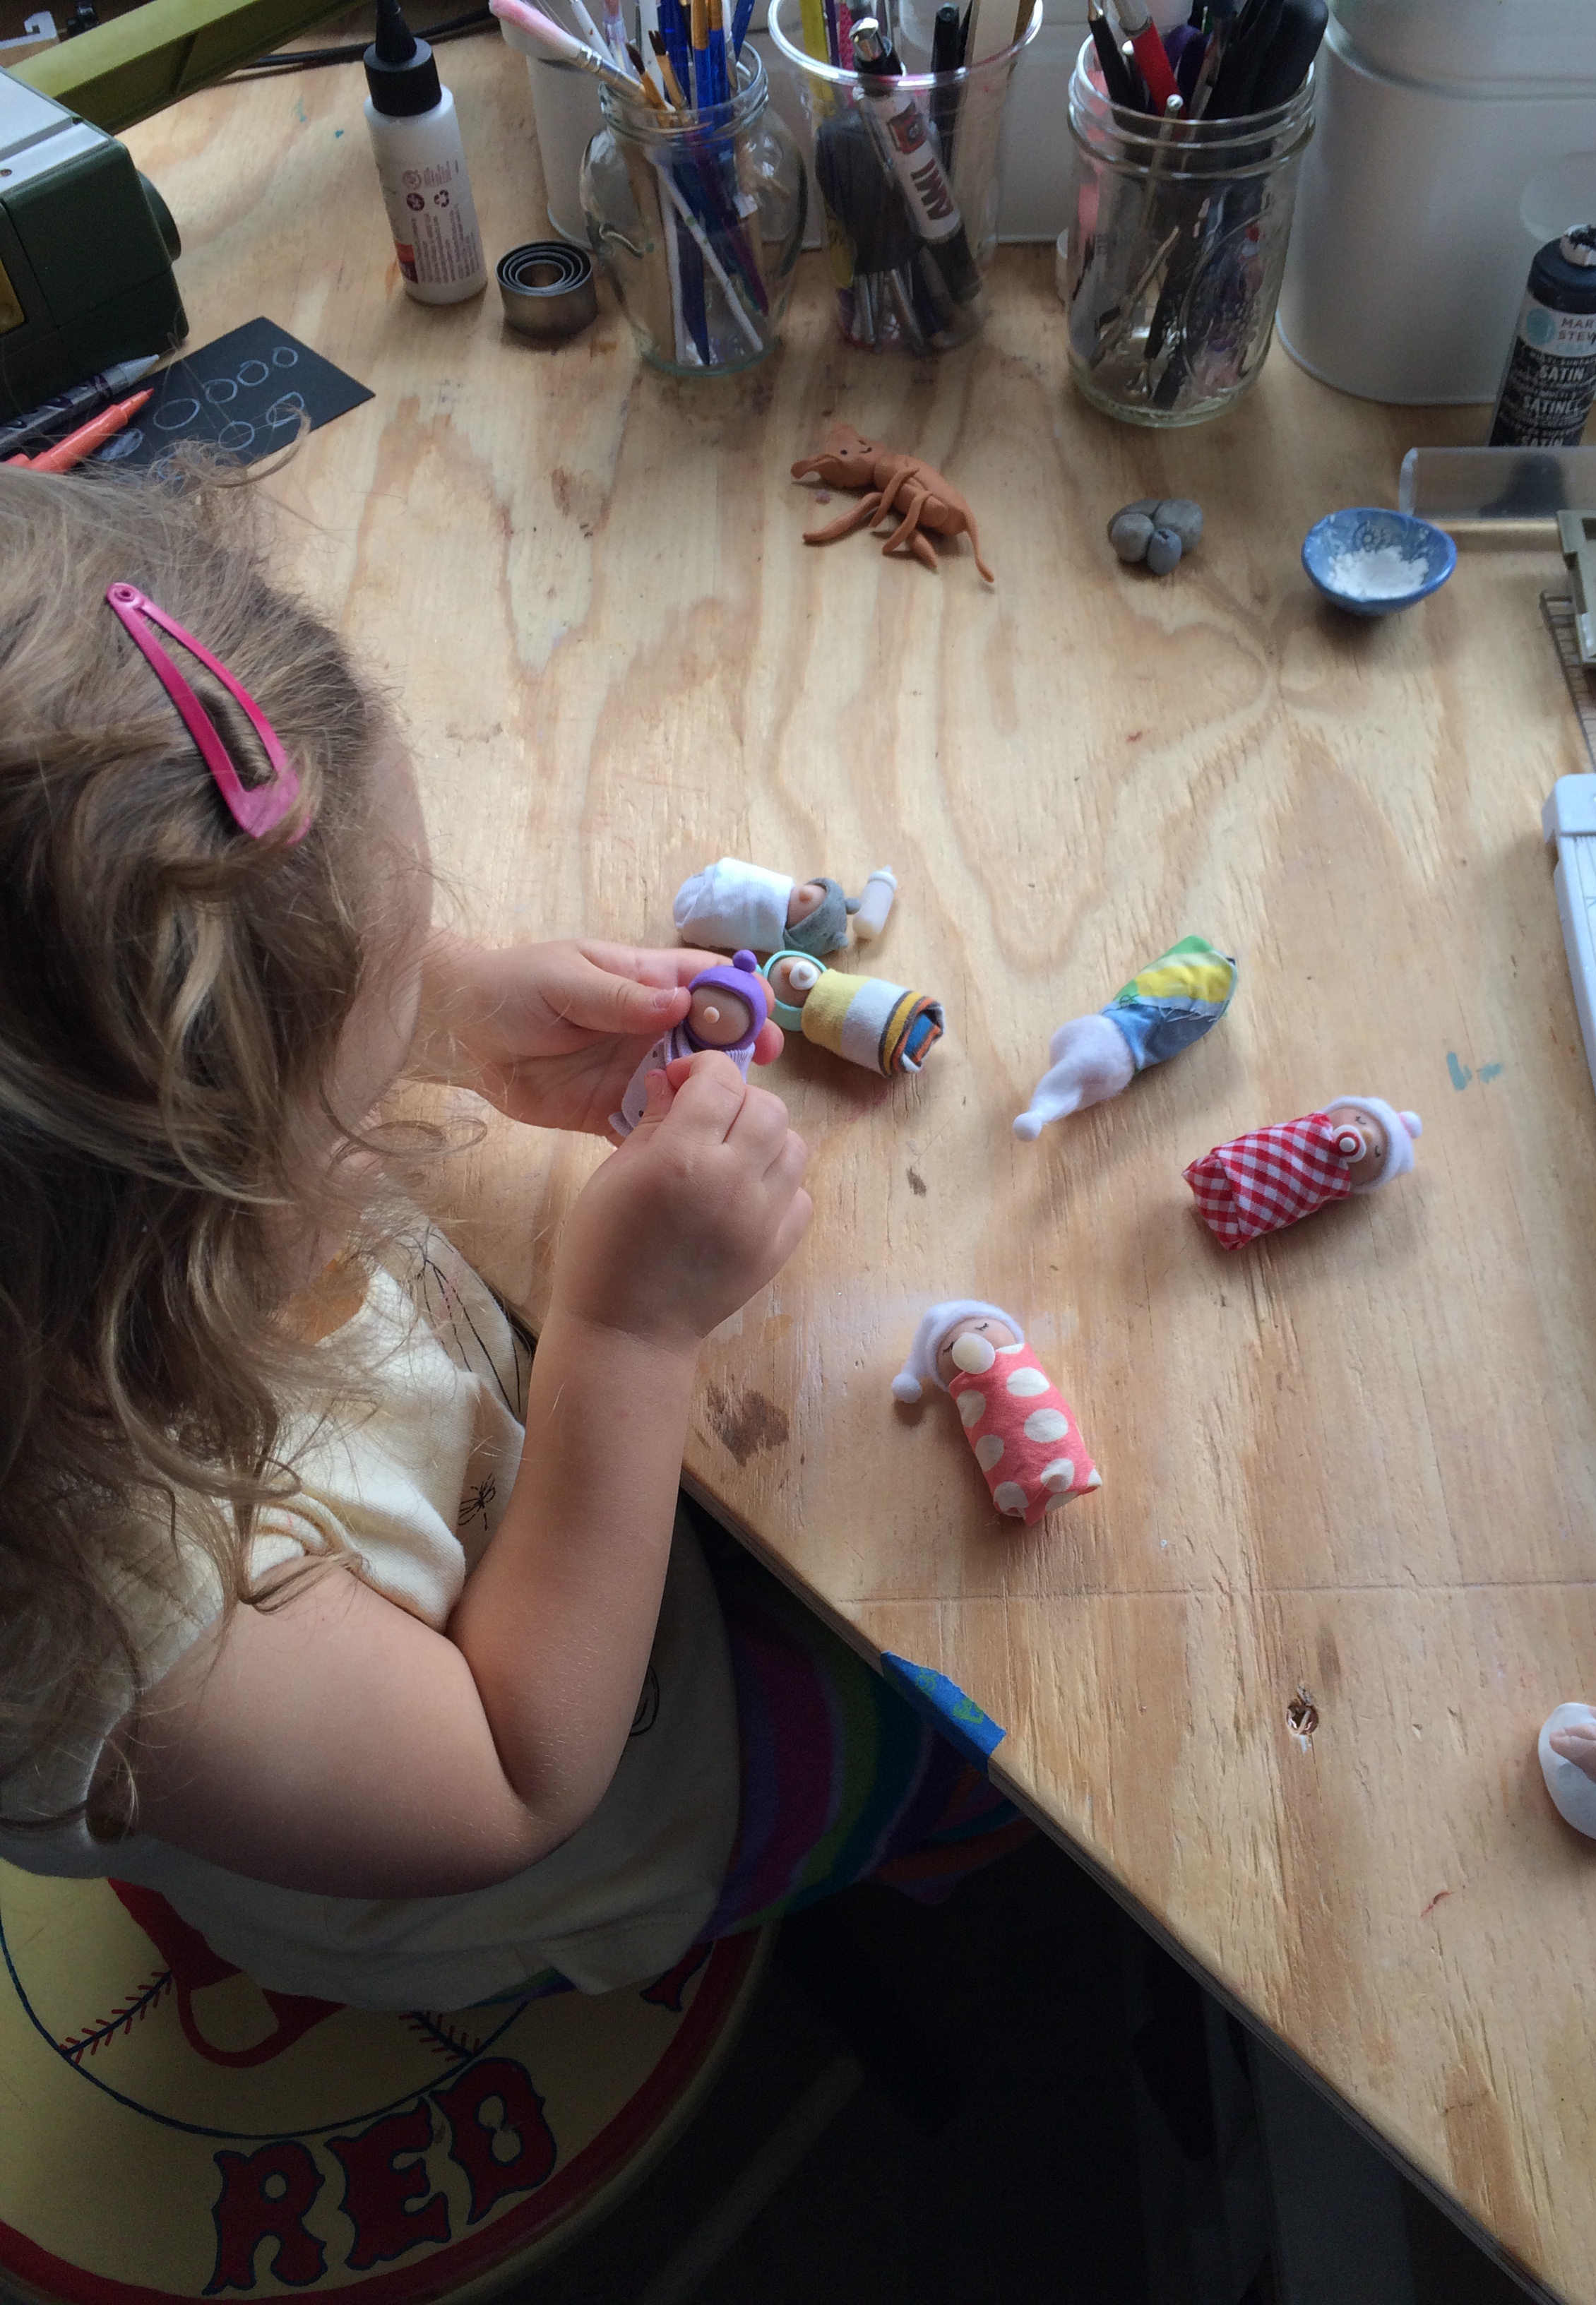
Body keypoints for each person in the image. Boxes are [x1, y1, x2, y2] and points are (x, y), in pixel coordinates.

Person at [0, 464, 1026, 2012]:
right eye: (366, 1029)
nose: (405, 1005)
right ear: (182, 1203)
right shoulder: (124, 1624)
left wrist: (448, 1012)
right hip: (553, 1803)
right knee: (957, 1753)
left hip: (467, 1575)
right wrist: (629, 1334)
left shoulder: (76, 1248)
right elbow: (513, 1775)